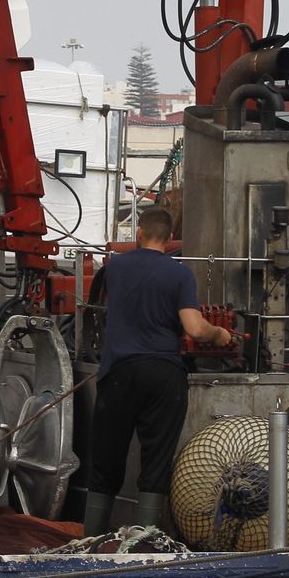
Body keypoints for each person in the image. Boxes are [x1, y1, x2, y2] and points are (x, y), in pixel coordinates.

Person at [83, 208, 235, 536]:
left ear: (139, 234)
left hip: (119, 372)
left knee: (106, 460)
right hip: (163, 374)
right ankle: (144, 543)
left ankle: (90, 540)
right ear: (170, 239)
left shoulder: (115, 268)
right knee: (156, 462)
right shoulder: (179, 274)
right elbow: (194, 328)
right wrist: (220, 334)